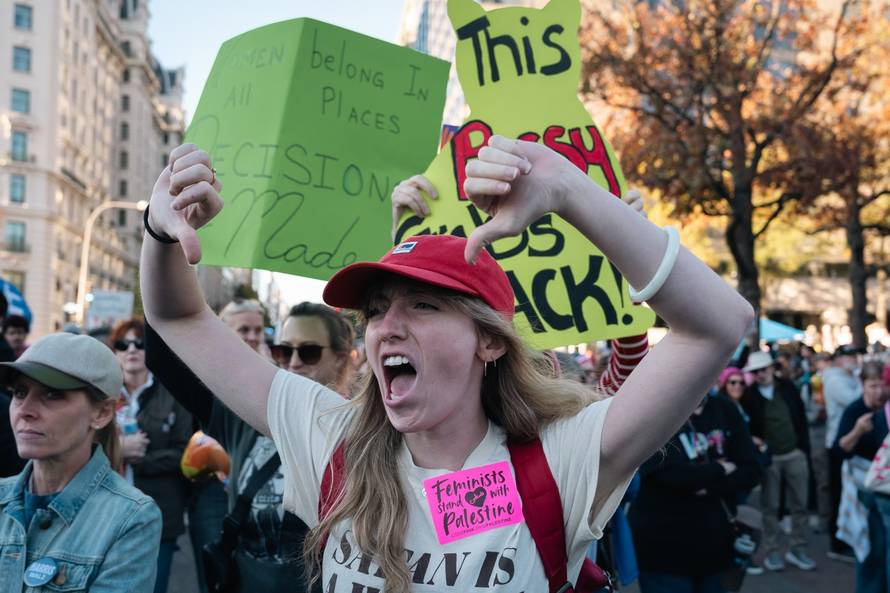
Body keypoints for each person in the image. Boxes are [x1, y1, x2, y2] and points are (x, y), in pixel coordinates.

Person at [139, 139, 753, 591]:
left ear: (489, 342)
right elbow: (181, 318)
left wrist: (569, 190)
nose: (388, 326)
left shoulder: (558, 460)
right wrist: (160, 230)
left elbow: (718, 326)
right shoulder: (330, 440)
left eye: (424, 305)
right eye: (376, 311)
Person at [145, 298, 355, 593]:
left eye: (308, 352)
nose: (292, 362)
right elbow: (161, 358)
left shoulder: (364, 433)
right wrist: (167, 255)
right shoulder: (243, 417)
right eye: (283, 350)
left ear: (341, 358)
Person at [0, 333, 162, 591]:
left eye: (52, 395)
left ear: (102, 412)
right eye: (20, 392)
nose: (24, 410)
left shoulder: (131, 517)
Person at [629, 392, 761, 593]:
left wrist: (709, 486)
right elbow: (667, 475)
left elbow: (751, 471)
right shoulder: (655, 410)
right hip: (662, 555)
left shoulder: (724, 409)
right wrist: (721, 469)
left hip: (717, 551)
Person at [110, 319, 192, 593]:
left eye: (140, 343)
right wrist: (121, 448)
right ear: (115, 352)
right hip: (108, 513)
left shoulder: (173, 394)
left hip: (157, 514)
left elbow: (185, 454)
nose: (132, 349)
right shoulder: (101, 396)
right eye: (123, 344)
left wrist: (142, 458)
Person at [740, 350, 815, 571]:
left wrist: (803, 449)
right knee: (770, 506)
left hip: (794, 452)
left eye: (763, 369)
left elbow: (800, 417)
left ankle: (798, 548)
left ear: (772, 368)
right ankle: (772, 551)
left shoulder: (788, 387)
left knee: (800, 504)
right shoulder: (750, 395)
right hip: (771, 457)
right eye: (756, 371)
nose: (760, 374)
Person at [833, 361, 889, 593]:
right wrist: (857, 431)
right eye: (872, 386)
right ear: (863, 385)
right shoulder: (855, 410)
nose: (878, 391)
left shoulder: (886, 408)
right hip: (863, 488)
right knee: (870, 547)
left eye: (882, 386)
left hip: (885, 486)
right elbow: (839, 449)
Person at [823, 344, 863, 562]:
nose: (855, 360)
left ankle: (847, 538)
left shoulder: (847, 377)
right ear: (839, 359)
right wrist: (860, 378)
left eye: (855, 356)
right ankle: (837, 543)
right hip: (836, 444)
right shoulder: (835, 379)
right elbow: (854, 401)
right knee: (838, 494)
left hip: (848, 442)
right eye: (850, 356)